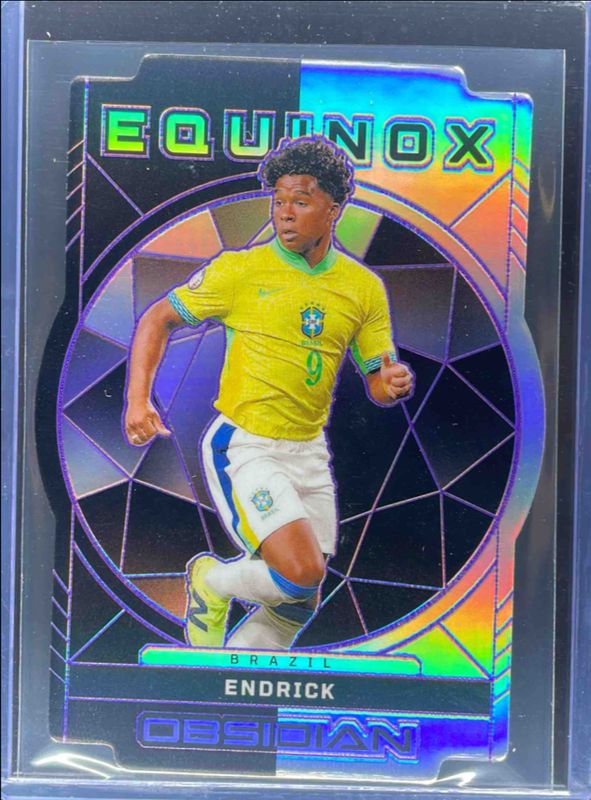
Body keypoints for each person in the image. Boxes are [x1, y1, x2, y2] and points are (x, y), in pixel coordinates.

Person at [124, 136, 413, 651]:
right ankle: (212, 581)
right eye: (279, 200)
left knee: (300, 600)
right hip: (247, 445)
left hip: (309, 450)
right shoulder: (240, 270)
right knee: (300, 572)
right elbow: (157, 319)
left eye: (300, 200)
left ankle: (233, 671)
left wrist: (390, 384)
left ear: (333, 208)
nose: (284, 212)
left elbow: (377, 380)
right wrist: (136, 400)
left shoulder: (363, 287)